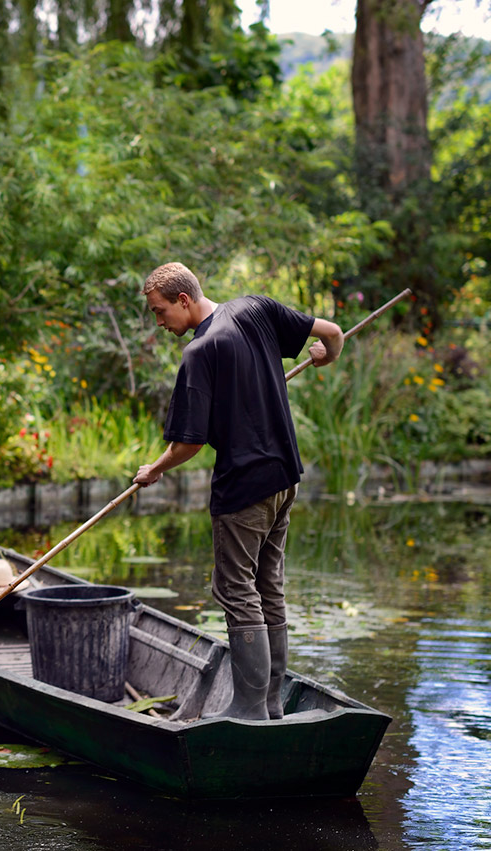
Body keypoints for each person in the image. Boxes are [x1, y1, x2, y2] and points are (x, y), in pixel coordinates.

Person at [132, 262, 344, 721]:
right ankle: (269, 705)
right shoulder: (255, 309)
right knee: (268, 585)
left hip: (244, 488)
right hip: (284, 478)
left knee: (236, 589)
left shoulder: (200, 352)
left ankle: (248, 708)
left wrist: (155, 469)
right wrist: (330, 355)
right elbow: (331, 331)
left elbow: (187, 443)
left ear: (183, 300)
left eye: (160, 311)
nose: (159, 322)